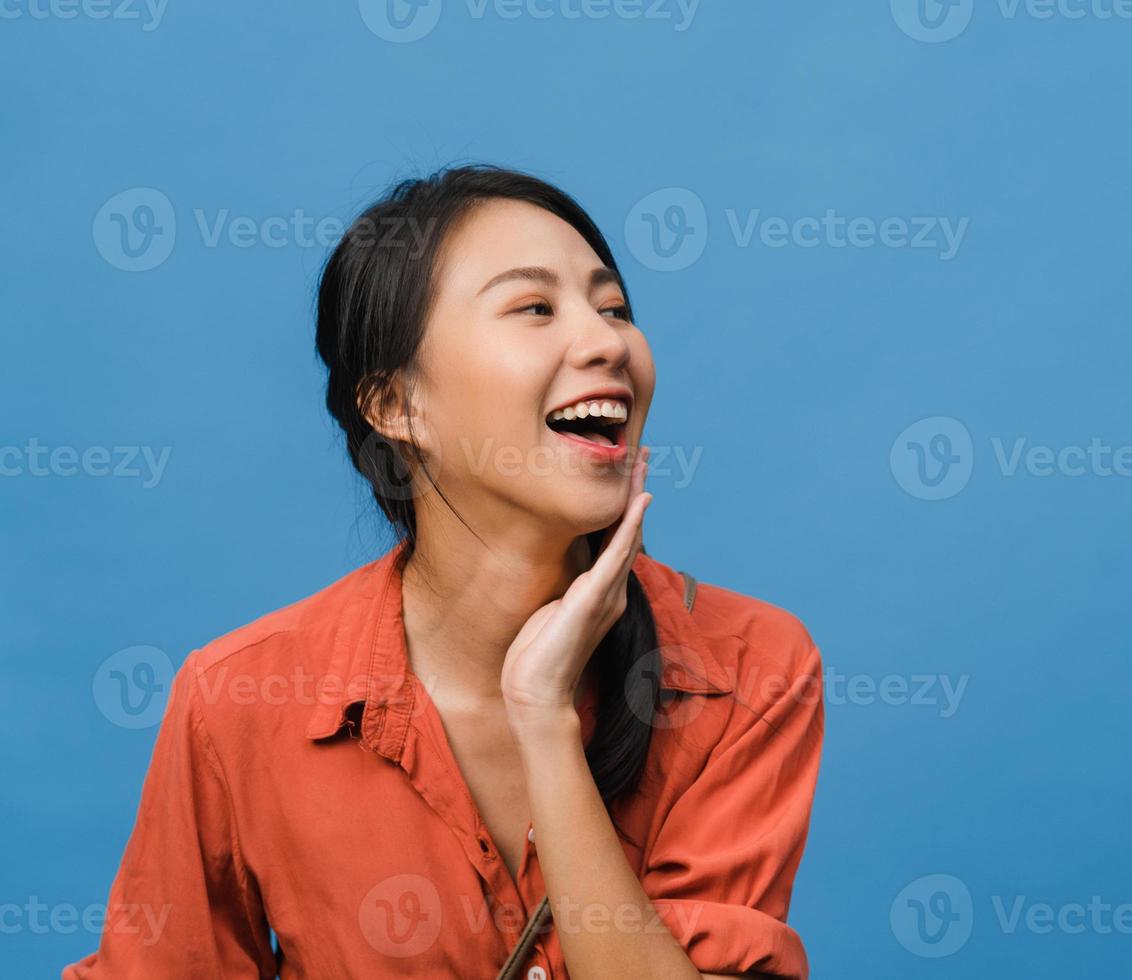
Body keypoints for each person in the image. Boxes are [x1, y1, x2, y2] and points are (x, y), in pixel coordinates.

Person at [61, 165, 825, 979]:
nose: (609, 342)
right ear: (397, 406)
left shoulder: (747, 667)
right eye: (535, 308)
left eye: (614, 309)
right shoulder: (238, 702)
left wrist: (544, 721)